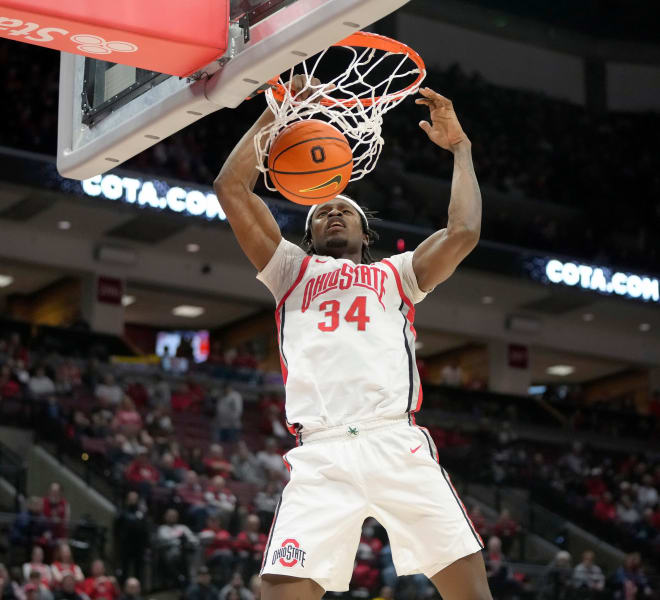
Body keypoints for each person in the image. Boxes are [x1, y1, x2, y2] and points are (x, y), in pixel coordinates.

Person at [215, 74, 485, 599]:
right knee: (278, 589)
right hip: (321, 451)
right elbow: (231, 188)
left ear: (367, 234)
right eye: (321, 211)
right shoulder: (289, 269)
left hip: (394, 439)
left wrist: (461, 149)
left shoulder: (398, 274)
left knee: (471, 592)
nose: (334, 210)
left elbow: (463, 233)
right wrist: (279, 112)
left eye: (347, 210)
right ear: (310, 235)